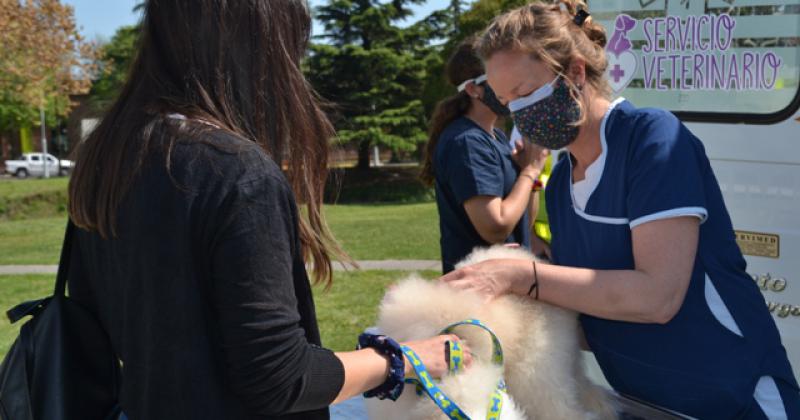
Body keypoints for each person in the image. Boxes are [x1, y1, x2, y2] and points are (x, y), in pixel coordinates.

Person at [65, 1, 463, 419]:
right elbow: (280, 377)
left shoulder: (106, 157)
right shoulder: (234, 170)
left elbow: (96, 320)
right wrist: (406, 358)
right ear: (259, 45)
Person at [440, 1, 800, 418]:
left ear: (574, 73)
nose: (519, 113)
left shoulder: (652, 140)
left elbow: (657, 298)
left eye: (524, 93)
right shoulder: (560, 183)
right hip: (644, 402)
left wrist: (525, 276)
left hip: (736, 398)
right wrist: (468, 318)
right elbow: (594, 313)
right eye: (506, 103)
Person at [419, 38, 548, 274]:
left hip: (506, 285)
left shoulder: (496, 137)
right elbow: (496, 227)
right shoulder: (468, 143)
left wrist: (529, 174)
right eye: (500, 78)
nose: (515, 86)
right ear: (473, 89)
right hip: (479, 293)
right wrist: (529, 172)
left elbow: (522, 222)